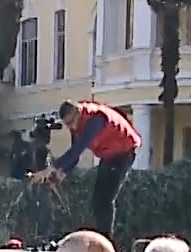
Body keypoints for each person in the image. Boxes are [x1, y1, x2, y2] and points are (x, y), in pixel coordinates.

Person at [29, 100, 142, 239]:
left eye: (71, 122)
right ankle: (102, 238)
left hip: (123, 153)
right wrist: (61, 174)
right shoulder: (75, 126)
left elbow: (79, 148)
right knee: (97, 200)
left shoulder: (96, 119)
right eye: (67, 124)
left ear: (78, 113)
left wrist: (51, 169)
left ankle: (106, 242)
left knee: (105, 199)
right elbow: (75, 157)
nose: (70, 127)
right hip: (109, 155)